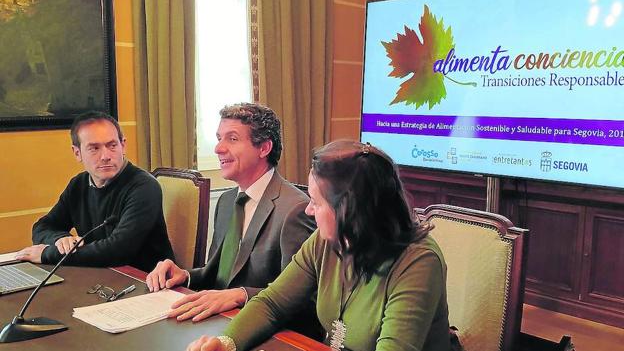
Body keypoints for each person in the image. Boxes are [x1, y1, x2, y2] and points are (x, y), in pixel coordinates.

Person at [186, 140, 452, 351]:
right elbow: (273, 303)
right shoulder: (328, 240)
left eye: (317, 201)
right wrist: (226, 343)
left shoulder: (418, 262)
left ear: (349, 211)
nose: (309, 210)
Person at [146, 103, 316, 323]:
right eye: (219, 138)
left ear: (264, 148)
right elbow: (218, 276)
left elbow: (301, 298)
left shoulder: (296, 209)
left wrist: (241, 296)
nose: (218, 148)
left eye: (232, 139)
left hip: (260, 326)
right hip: (215, 320)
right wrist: (185, 276)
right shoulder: (227, 201)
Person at [15, 111, 174, 272]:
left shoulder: (144, 186)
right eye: (94, 148)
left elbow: (118, 251)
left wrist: (48, 254)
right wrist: (60, 240)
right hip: (98, 275)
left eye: (112, 146)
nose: (105, 156)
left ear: (123, 145)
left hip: (147, 282)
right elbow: (42, 227)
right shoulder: (79, 184)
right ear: (77, 153)